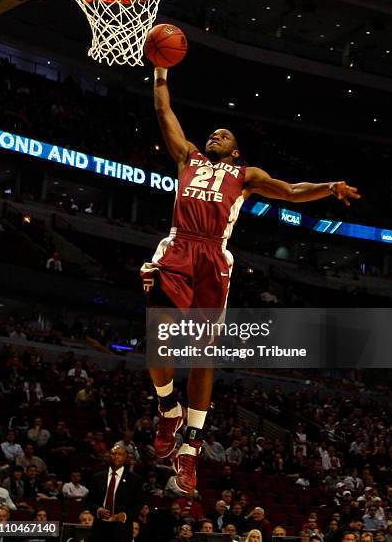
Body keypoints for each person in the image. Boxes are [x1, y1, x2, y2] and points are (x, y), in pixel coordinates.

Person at [141, 66, 360, 493]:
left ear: (236, 150)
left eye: (224, 135)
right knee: (159, 335)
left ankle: (192, 448)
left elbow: (293, 191)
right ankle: (169, 409)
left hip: (213, 257)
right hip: (179, 247)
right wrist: (161, 68)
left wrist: (329, 186)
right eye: (214, 133)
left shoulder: (246, 176)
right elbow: (162, 107)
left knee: (204, 357)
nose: (215, 135)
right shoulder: (188, 157)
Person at [87, 444, 143, 542]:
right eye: (113, 453)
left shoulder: (134, 479)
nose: (116, 456)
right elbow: (89, 501)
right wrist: (98, 510)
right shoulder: (97, 477)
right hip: (100, 527)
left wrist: (125, 516)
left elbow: (138, 504)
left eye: (120, 454)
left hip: (122, 529)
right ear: (109, 456)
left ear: (125, 458)